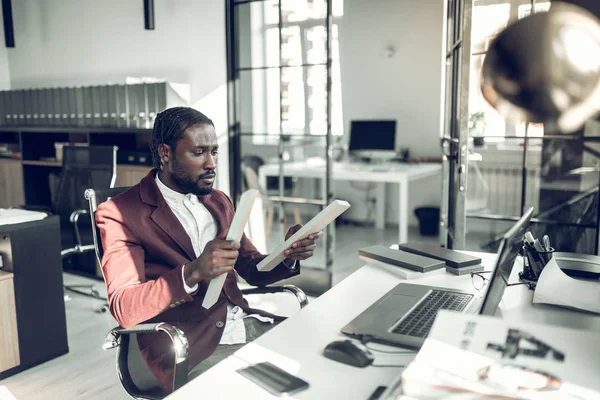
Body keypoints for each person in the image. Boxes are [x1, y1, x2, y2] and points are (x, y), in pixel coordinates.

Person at [96, 107, 321, 392]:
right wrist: (191, 273)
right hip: (186, 346)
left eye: (214, 152)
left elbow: (252, 268)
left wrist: (288, 254)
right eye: (199, 152)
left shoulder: (218, 201)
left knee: (321, 360)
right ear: (166, 153)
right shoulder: (120, 213)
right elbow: (124, 307)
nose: (211, 163)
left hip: (243, 323)